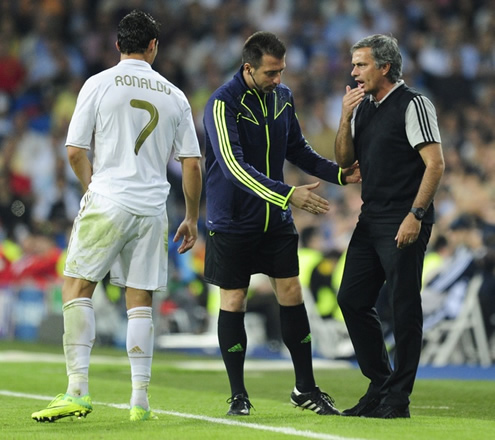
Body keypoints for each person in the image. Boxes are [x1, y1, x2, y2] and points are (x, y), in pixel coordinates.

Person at [31, 10, 202, 422]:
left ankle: (77, 390)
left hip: (109, 197)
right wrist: (192, 217)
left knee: (76, 287)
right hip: (153, 208)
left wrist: (92, 187)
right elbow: (192, 164)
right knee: (139, 300)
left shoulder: (98, 83)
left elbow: (74, 150)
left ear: (117, 45)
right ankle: (140, 401)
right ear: (153, 47)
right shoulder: (175, 95)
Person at [203, 31, 360, 416]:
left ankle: (304, 388)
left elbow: (297, 149)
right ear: (248, 68)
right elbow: (233, 167)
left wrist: (339, 175)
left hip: (275, 219)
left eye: (281, 71)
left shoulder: (282, 97)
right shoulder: (222, 105)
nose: (278, 79)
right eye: (271, 73)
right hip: (234, 221)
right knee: (234, 299)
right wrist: (289, 194)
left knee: (291, 292)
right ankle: (238, 394)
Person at [334, 34, 445, 418]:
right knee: (351, 298)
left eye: (361, 64)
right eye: (353, 64)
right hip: (371, 216)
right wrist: (345, 116)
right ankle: (380, 383)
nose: (353, 72)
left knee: (403, 306)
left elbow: (436, 163)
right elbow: (346, 162)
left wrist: (416, 214)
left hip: (404, 216)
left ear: (384, 66)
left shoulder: (414, 104)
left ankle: (398, 398)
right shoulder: (363, 106)